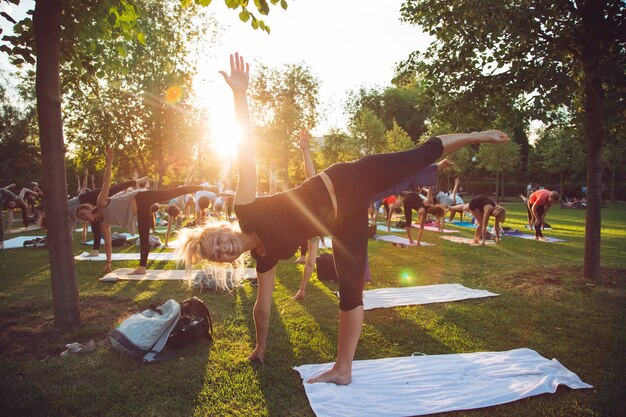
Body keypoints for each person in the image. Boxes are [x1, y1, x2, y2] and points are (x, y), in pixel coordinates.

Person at [176, 53, 510, 385]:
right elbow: (262, 308)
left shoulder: (246, 208)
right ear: (225, 261)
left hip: (348, 179)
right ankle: (343, 369)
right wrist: (260, 347)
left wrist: (239, 95)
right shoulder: (264, 258)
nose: (224, 249)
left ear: (222, 229)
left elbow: (245, 153)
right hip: (344, 220)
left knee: (419, 156)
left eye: (217, 241)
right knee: (350, 292)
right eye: (218, 254)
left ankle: (474, 136)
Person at [75, 149, 206, 274]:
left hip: (141, 198)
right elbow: (108, 243)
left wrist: (109, 163)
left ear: (89, 208)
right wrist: (109, 262)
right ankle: (142, 268)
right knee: (144, 236)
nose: (83, 218)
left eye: (82, 214)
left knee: (172, 193)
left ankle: (204, 187)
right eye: (81, 218)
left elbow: (106, 183)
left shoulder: (101, 202)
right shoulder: (104, 223)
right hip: (140, 210)